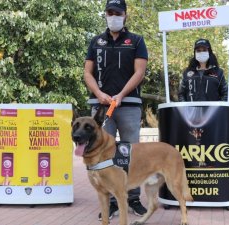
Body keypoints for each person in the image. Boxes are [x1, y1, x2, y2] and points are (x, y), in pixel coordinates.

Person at [83, 0, 148, 221]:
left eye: (117, 13)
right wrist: (99, 94)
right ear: (106, 14)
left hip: (128, 104)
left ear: (125, 15)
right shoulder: (95, 41)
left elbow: (139, 72)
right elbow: (87, 73)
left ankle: (133, 199)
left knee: (131, 153)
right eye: (110, 13)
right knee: (102, 152)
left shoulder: (137, 41)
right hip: (100, 106)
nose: (113, 16)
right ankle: (110, 202)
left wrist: (121, 95)